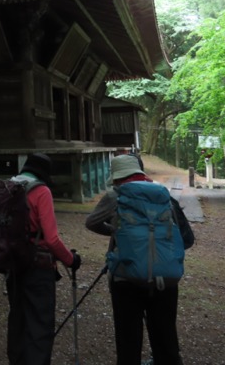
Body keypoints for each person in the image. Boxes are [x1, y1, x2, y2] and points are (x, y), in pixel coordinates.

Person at [85, 154, 195, 365]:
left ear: (117, 177)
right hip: (165, 278)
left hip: (126, 278)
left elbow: (91, 223)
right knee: (166, 339)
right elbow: (186, 238)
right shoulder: (164, 196)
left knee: (128, 341)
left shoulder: (115, 196)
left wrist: (122, 234)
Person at [6, 152, 81, 365]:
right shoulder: (41, 191)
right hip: (38, 267)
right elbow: (52, 239)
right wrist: (71, 260)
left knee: (18, 321)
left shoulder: (10, 188)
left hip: (13, 263)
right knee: (39, 325)